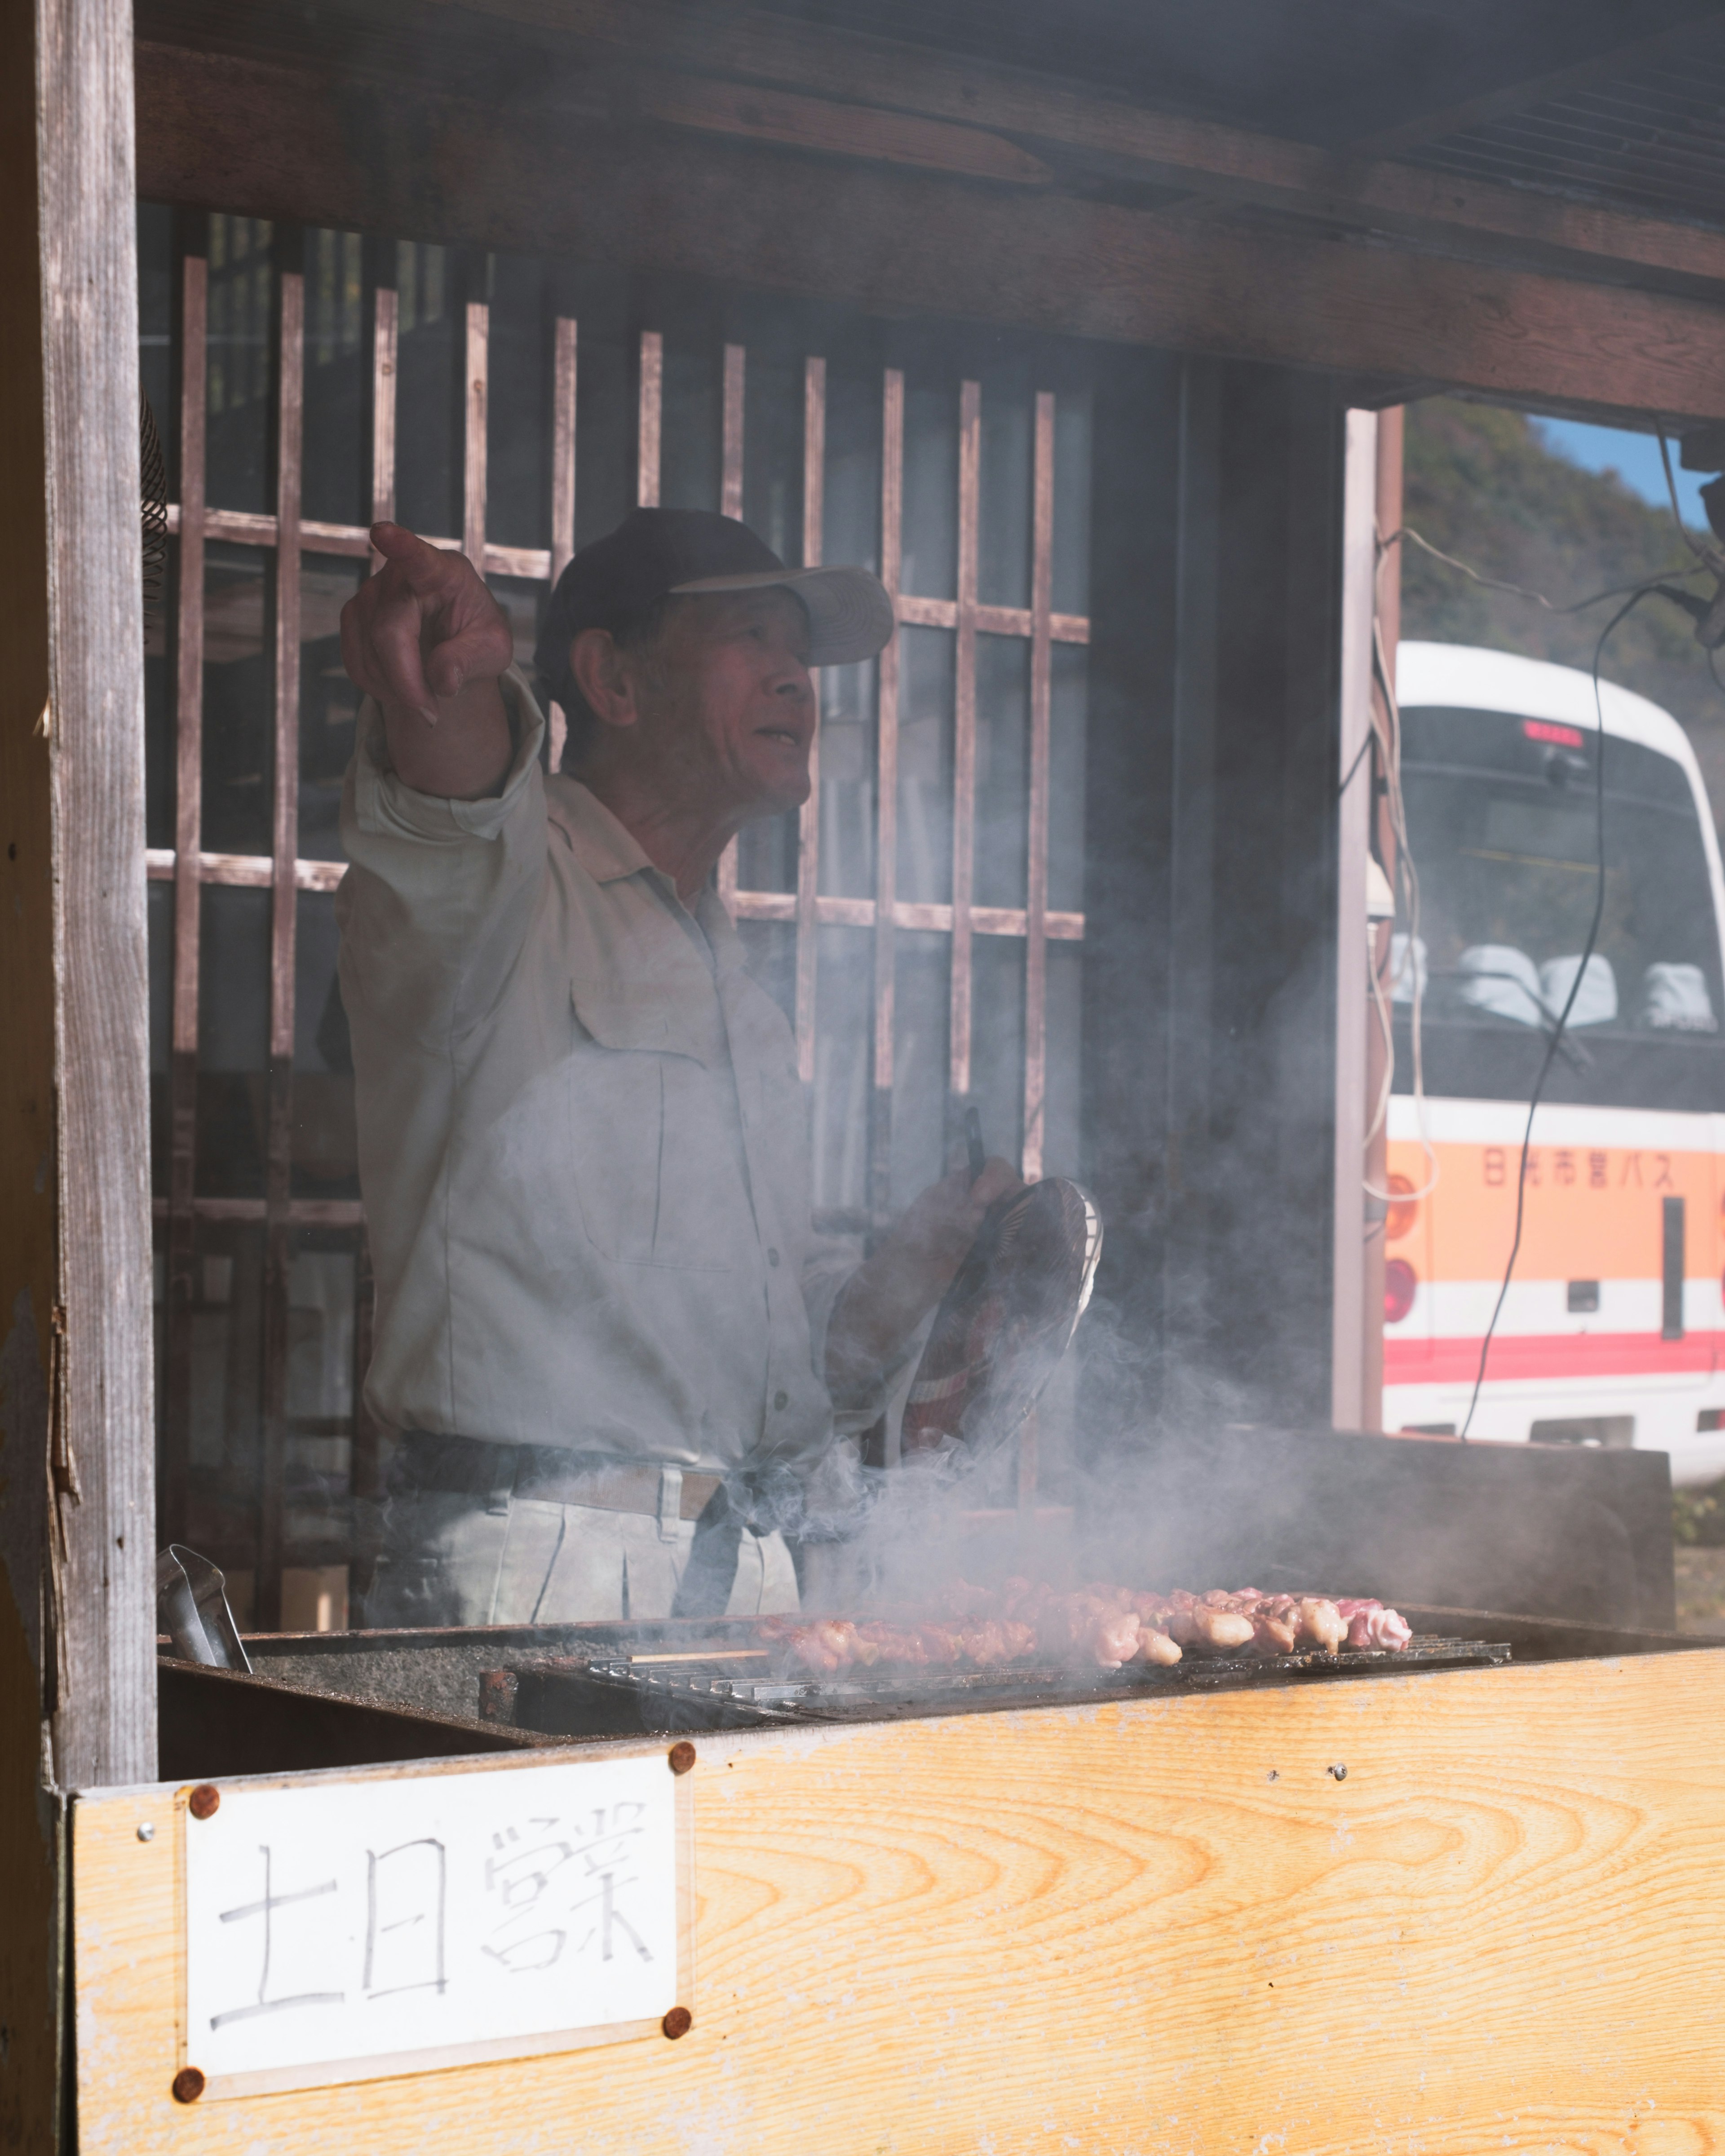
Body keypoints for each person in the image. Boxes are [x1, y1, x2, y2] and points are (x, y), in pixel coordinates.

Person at [336, 506, 1019, 1626]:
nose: (798, 679)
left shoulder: (740, 999)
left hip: (741, 1566)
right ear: (612, 679)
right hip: (541, 1562)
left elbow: (793, 1369)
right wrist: (449, 685)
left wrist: (920, 1272)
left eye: (802, 653)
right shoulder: (515, 897)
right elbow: (449, 812)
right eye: (754, 637)